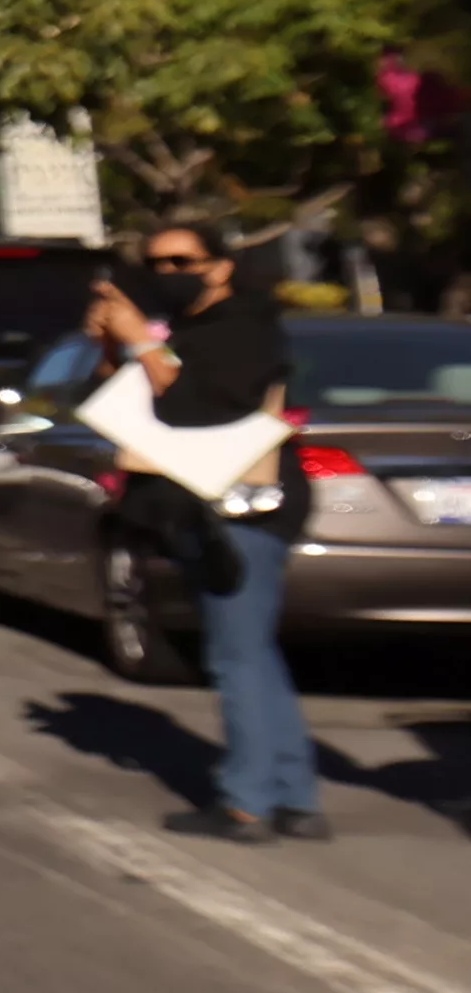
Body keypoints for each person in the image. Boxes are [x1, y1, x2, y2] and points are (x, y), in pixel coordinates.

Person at [89, 216, 319, 840]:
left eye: (183, 262)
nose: (169, 275)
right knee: (252, 654)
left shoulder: (246, 326)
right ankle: (294, 796)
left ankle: (247, 801)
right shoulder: (189, 329)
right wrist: (114, 341)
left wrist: (140, 340)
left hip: (243, 505)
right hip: (204, 505)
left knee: (234, 658)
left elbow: (195, 408)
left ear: (220, 266)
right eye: (157, 264)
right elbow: (123, 402)